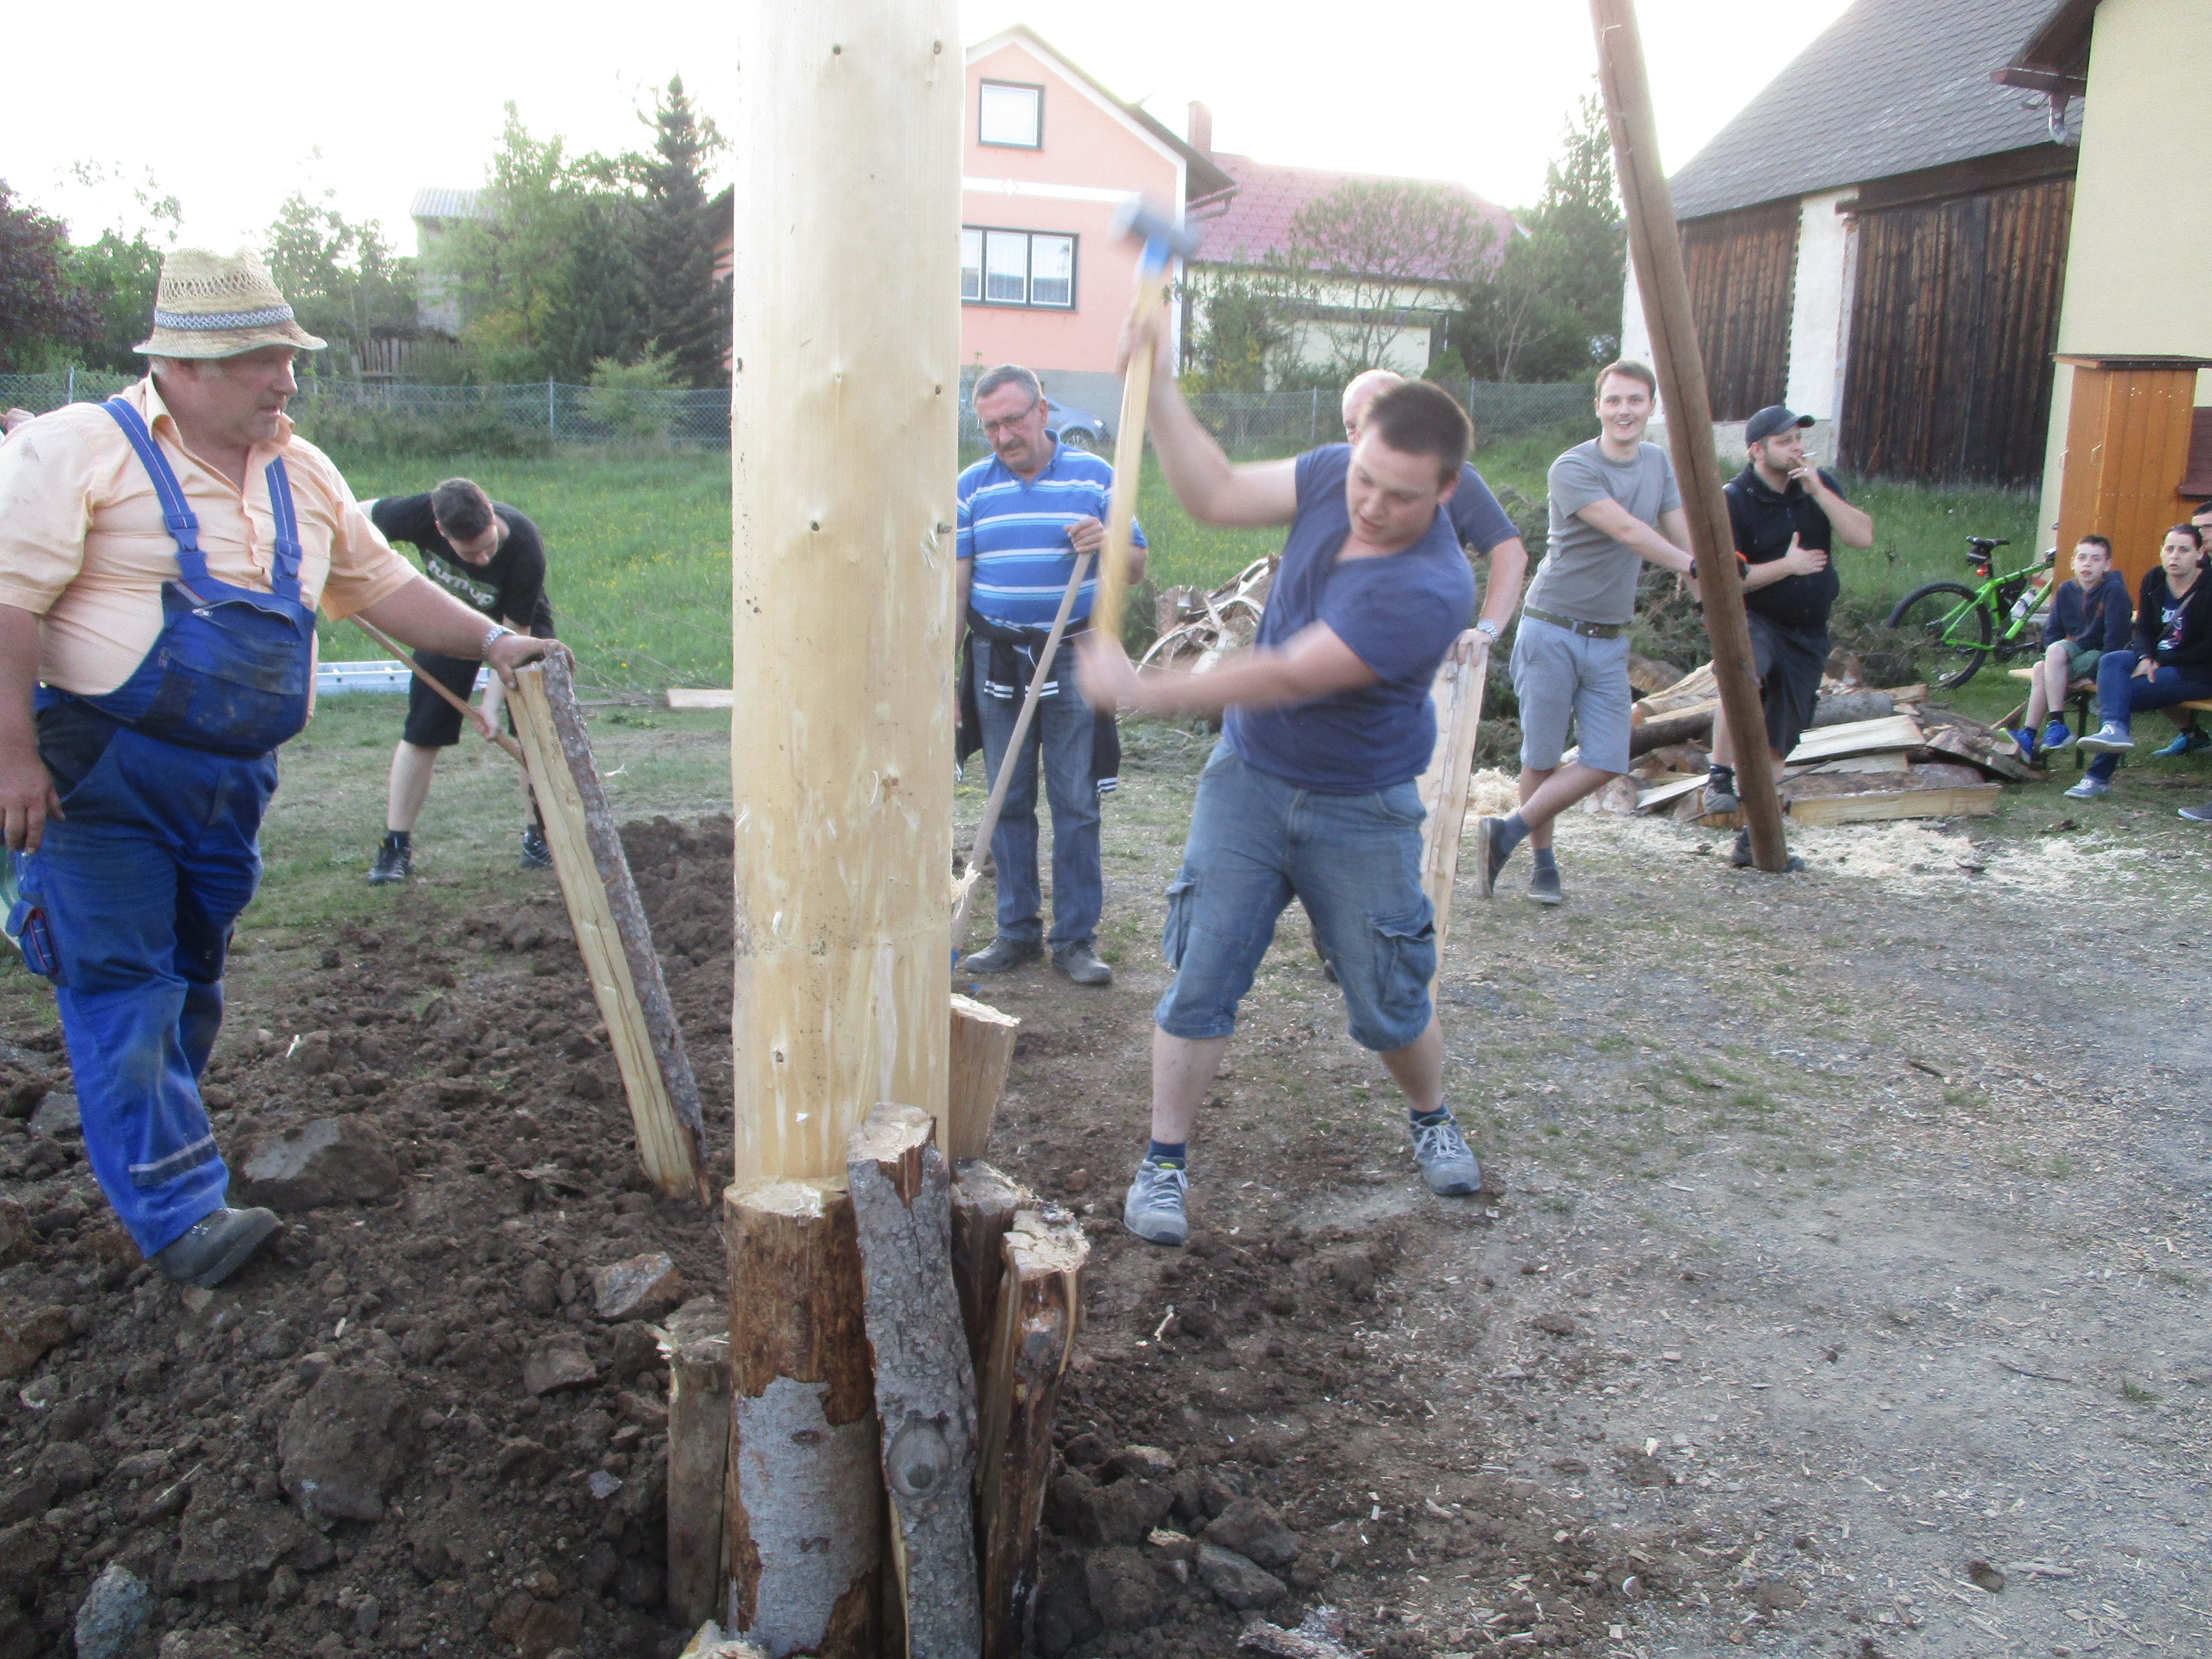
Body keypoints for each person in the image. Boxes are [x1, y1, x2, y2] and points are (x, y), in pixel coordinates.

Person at [0, 249, 553, 1289]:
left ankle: (157, 1156)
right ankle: (179, 1215)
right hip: (98, 776)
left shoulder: (304, 472)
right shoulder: (78, 451)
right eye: (261, 360)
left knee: (192, 977)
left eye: (288, 357)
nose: (284, 379)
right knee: (125, 982)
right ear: (186, 368)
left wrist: (490, 644)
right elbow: (7, 604)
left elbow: (380, 585)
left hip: (230, 784)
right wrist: (11, 758)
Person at [1077, 317, 1485, 1249]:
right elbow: (1214, 491)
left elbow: (1294, 671)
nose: (1371, 506)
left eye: (1399, 496)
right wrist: (1165, 387)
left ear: (1447, 492)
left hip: (1361, 802)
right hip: (1250, 780)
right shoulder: (1330, 477)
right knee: (1202, 974)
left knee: (1387, 995)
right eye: (1363, 481)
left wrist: (1150, 689)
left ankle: (1429, 1117)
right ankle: (1165, 1160)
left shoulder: (1430, 588)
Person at [1475, 362, 1697, 903]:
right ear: (1597, 406)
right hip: (1551, 627)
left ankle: (1506, 832)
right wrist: (1690, 566)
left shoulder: (1657, 463)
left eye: (1636, 401)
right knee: (1542, 758)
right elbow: (1627, 530)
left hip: (1609, 637)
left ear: (1651, 408)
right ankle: (1542, 866)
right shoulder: (1572, 467)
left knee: (1606, 757)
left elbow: (1677, 528)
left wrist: (1701, 578)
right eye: (1615, 401)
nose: (1625, 411)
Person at [956, 365, 1146, 987]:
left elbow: (1138, 565)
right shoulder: (970, 488)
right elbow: (956, 587)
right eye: (991, 426)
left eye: (1014, 419)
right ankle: (1015, 933)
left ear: (1043, 411)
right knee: (1006, 798)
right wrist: (942, 680)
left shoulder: (1096, 477)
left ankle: (1074, 941)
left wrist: (1108, 538)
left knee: (1075, 798)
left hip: (1072, 652)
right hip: (998, 657)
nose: (1005, 435)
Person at [359, 479, 557, 883]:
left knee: (533, 730)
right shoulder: (415, 513)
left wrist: (491, 705)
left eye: (489, 546)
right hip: (446, 622)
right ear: (440, 530)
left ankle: (540, 837)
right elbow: (350, 518)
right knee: (423, 731)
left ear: (492, 514)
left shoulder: (524, 545)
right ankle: (396, 846)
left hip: (519, 630)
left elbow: (511, 637)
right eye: (471, 553)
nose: (483, 560)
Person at [1703, 404, 1875, 864]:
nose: (1796, 448)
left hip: (1808, 632)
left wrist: (1819, 492)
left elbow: (1862, 537)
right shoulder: (1734, 498)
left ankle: (1750, 837)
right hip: (1756, 618)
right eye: (1784, 442)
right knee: (1744, 674)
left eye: (1798, 439)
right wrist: (1788, 566)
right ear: (1756, 450)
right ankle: (1718, 777)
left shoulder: (1816, 487)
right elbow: (1724, 578)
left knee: (1783, 732)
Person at [1340, 368, 1531, 623]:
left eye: (1367, 422)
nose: (1358, 437)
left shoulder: (1452, 478)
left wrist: (1487, 630)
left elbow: (1511, 554)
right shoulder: (1334, 476)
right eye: (1350, 427)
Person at [2069, 523, 2212, 799]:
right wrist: (2146, 656)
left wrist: (2157, 659)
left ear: (2199, 553)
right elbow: (2144, 629)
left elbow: (2209, 648)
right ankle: (2114, 730)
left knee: (2119, 696)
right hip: (2158, 659)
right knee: (2113, 661)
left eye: (2184, 550)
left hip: (2197, 671)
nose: (2174, 556)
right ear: (2161, 551)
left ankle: (2097, 777)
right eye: (2169, 549)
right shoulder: (2155, 579)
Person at [2008, 535, 2131, 761]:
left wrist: (2095, 676)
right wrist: (2055, 665)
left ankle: (2047, 728)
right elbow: (2052, 633)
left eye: (2096, 559)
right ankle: (2040, 731)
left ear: (2107, 565)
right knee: (2048, 658)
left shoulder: (2114, 591)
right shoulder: (2066, 590)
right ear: (2073, 562)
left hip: (2102, 656)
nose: (2087, 564)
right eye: (2082, 558)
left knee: (2041, 668)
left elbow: (2117, 641)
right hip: (2077, 651)